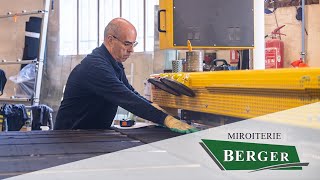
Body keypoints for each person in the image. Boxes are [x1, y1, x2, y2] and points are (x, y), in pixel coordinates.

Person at [54, 18, 197, 134]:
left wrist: (163, 114)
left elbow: (131, 93)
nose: (131, 50)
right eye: (127, 44)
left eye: (133, 44)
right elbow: (127, 99)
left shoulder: (113, 64)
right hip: (71, 137)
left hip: (90, 134)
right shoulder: (95, 67)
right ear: (110, 40)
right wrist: (166, 120)